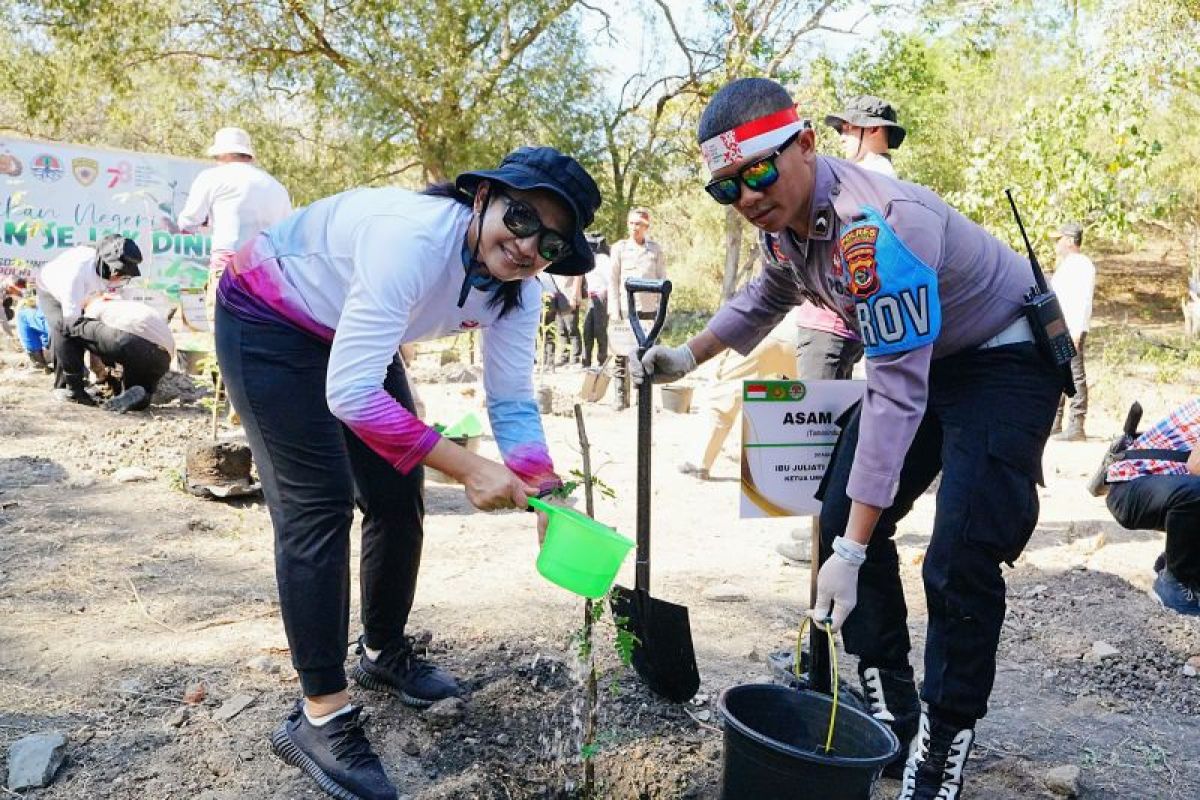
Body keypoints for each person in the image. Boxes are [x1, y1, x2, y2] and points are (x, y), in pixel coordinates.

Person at [634, 78, 1063, 799]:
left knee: (959, 552)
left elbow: (897, 391)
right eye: (726, 189)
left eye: (760, 171)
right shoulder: (782, 223)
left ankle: (942, 744)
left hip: (1004, 358)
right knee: (838, 510)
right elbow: (767, 293)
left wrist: (854, 552)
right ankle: (890, 708)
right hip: (937, 356)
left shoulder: (880, 227)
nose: (748, 196)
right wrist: (691, 354)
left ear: (804, 143)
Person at [215, 145, 601, 800]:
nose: (530, 245)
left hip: (347, 333)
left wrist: (545, 489)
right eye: (522, 217)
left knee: (398, 492)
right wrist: (468, 466)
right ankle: (321, 716)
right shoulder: (413, 240)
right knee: (319, 504)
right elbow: (352, 397)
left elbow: (509, 398)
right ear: (481, 198)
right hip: (267, 316)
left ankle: (381, 653)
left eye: (553, 242)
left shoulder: (521, 292)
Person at [170, 127, 292, 319]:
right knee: (259, 324)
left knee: (223, 322)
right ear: (247, 155)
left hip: (230, 262)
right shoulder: (275, 186)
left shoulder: (212, 177)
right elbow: (287, 233)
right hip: (269, 268)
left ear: (223, 154)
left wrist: (200, 225)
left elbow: (187, 222)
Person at [1104, 398, 1200, 616]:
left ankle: (1177, 564)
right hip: (1131, 490)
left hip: (1159, 490)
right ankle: (1175, 581)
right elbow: (1196, 466)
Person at [677, 314, 797, 480]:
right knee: (809, 400)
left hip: (762, 328)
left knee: (726, 397)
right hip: (803, 331)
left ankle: (700, 463)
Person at [36, 235, 143, 405]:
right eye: (117, 271)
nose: (119, 276)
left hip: (88, 293)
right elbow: (72, 323)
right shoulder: (75, 273)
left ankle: (100, 377)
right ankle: (68, 387)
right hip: (51, 290)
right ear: (105, 264)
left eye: (124, 273)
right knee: (63, 329)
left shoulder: (119, 275)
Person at [70, 295, 176, 412]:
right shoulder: (131, 306)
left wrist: (99, 374)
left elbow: (90, 340)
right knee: (140, 390)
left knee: (75, 328)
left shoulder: (96, 306)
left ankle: (73, 387)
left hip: (134, 344)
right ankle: (141, 396)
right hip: (163, 358)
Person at [610, 207, 666, 408]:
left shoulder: (655, 250)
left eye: (639, 224)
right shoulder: (620, 248)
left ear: (646, 227)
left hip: (649, 310)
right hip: (626, 310)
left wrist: (662, 309)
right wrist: (614, 310)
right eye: (631, 223)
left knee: (644, 354)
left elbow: (662, 280)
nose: (634, 228)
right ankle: (619, 397)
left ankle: (640, 395)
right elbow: (613, 280)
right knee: (621, 353)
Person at [1048, 221, 1095, 441]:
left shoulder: (1081, 265)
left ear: (1069, 240)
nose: (1056, 244)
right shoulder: (1068, 265)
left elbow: (1081, 301)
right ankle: (1055, 422)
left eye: (1059, 239)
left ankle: (1077, 424)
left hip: (1071, 328)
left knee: (1075, 375)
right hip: (1061, 328)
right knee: (1059, 373)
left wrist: (1076, 332)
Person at [581, 233, 610, 368]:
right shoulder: (588, 259)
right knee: (587, 329)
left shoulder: (603, 259)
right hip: (591, 297)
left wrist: (605, 294)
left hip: (601, 297)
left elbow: (610, 280)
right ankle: (586, 361)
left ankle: (602, 359)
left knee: (600, 329)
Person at [15, 297, 51, 371]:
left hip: (35, 351)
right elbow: (49, 328)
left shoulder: (24, 314)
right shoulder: (32, 313)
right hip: (40, 351)